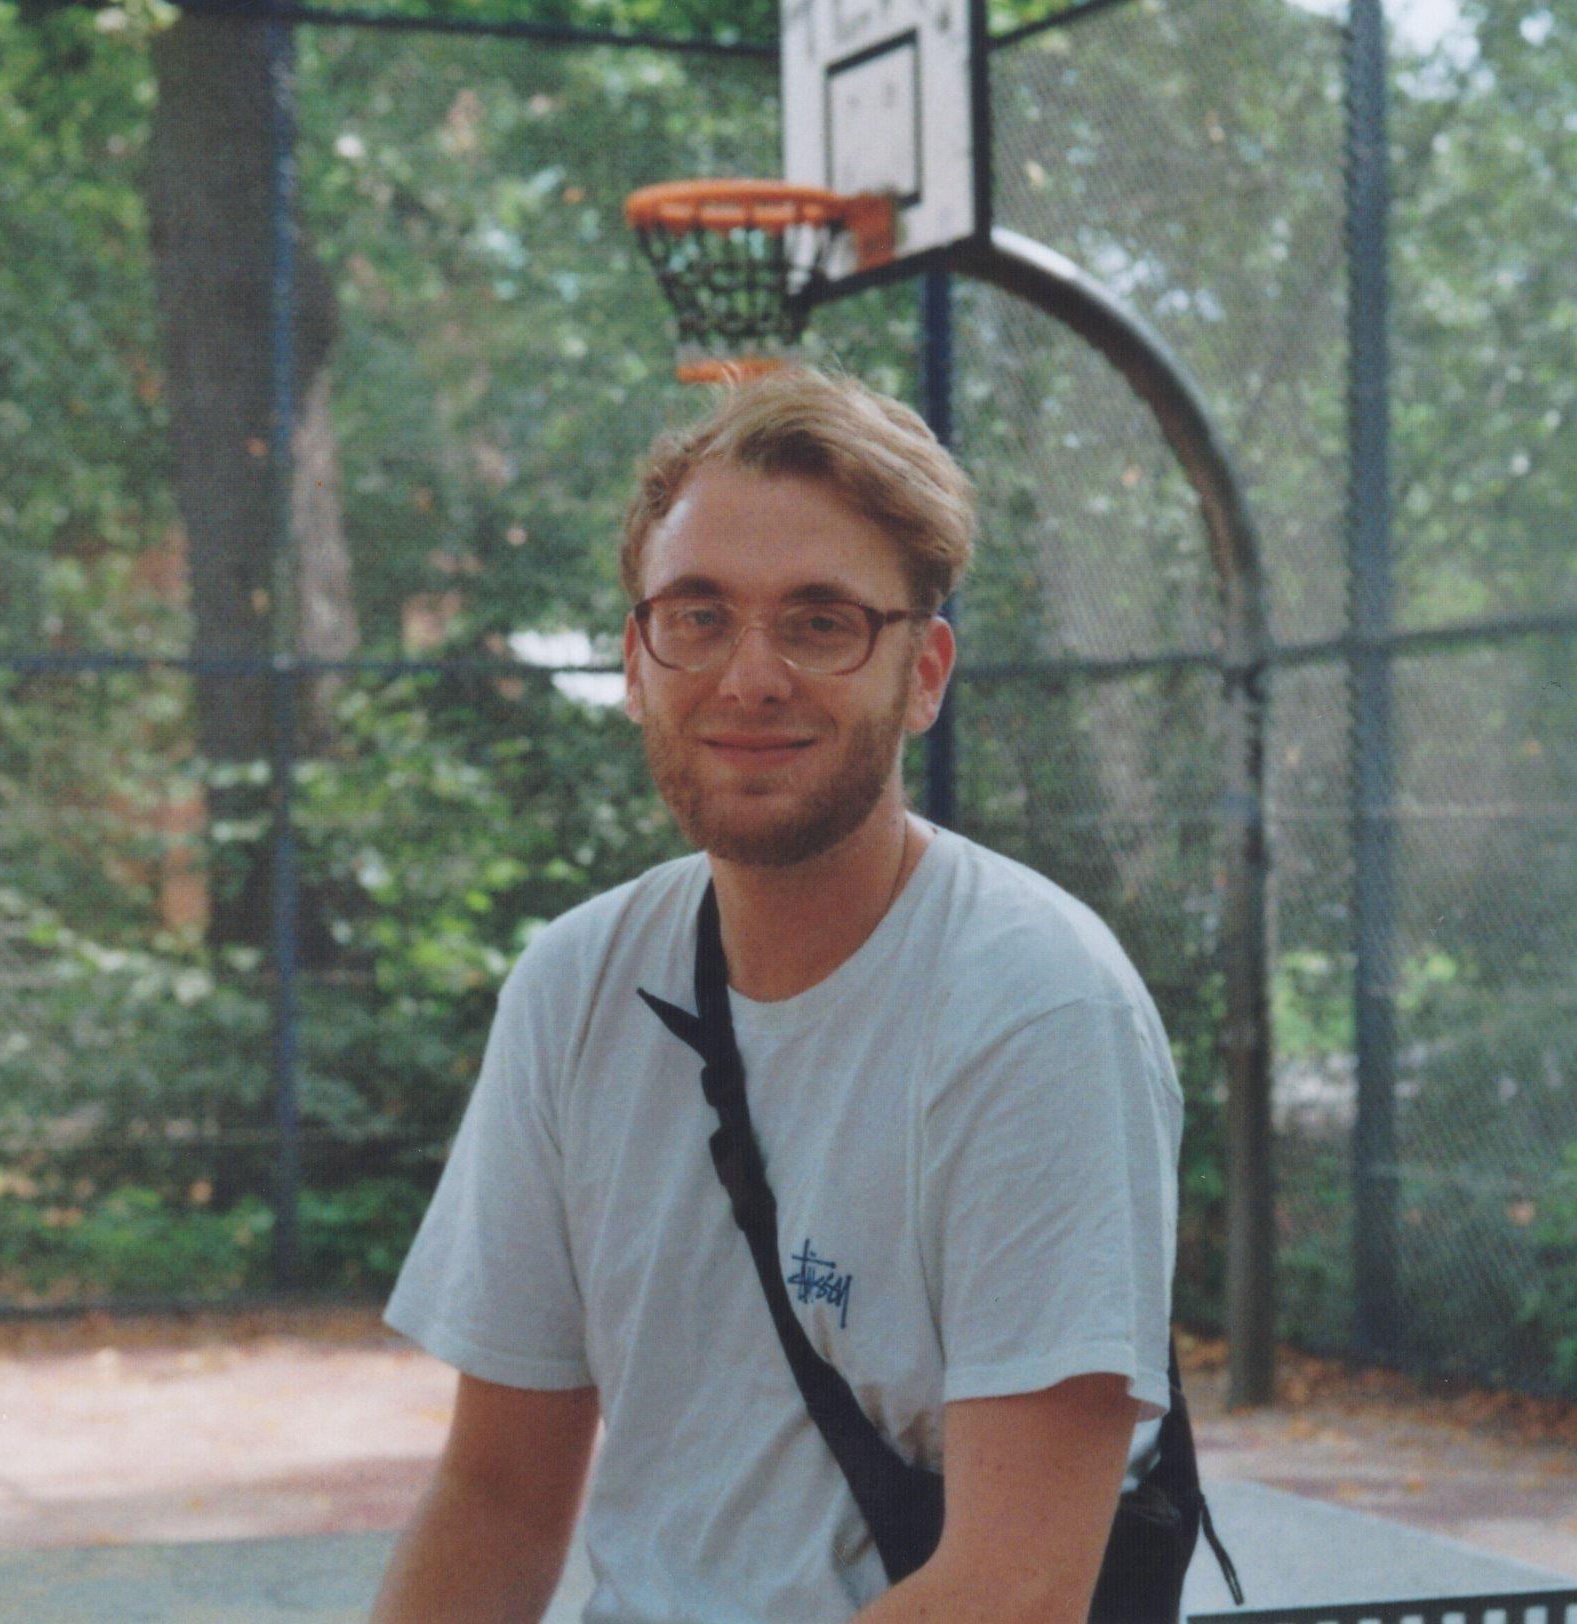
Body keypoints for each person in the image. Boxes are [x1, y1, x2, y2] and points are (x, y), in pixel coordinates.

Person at [372, 367, 1185, 1624]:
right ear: (637, 661)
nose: (750, 675)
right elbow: (499, 1496)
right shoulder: (577, 985)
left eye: (820, 621)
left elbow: (1012, 1592)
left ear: (924, 673)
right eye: (698, 615)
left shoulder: (1039, 1010)